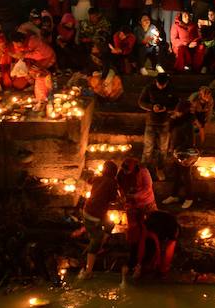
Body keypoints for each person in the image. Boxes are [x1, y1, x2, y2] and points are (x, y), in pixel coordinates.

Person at [117, 157, 156, 285]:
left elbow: (148, 188)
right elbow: (120, 187)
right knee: (134, 231)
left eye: (129, 171)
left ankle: (145, 261)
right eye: (125, 171)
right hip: (132, 205)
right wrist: (124, 197)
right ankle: (133, 260)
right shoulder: (121, 174)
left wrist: (134, 195)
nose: (126, 173)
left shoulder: (143, 172)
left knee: (149, 231)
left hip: (146, 203)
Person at [79, 160, 119, 280]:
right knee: (96, 238)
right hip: (94, 214)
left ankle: (100, 243)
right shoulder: (112, 182)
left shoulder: (98, 178)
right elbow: (113, 199)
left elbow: (89, 180)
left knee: (110, 224)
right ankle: (88, 271)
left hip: (87, 210)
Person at [137, 72, 177, 180]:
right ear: (156, 81)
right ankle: (143, 170)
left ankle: (160, 168)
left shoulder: (171, 90)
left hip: (164, 123)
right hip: (151, 122)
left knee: (163, 149)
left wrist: (167, 109)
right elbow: (141, 102)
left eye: (163, 85)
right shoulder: (149, 88)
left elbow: (176, 104)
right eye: (159, 84)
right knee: (147, 148)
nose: (161, 87)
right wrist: (151, 107)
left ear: (167, 83)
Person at [161, 100, 199, 209]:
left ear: (183, 112)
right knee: (177, 174)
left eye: (178, 111)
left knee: (186, 176)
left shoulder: (188, 123)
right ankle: (174, 195)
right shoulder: (177, 121)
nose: (176, 113)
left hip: (185, 153)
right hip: (176, 152)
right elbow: (170, 132)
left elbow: (190, 141)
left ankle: (189, 198)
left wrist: (178, 149)